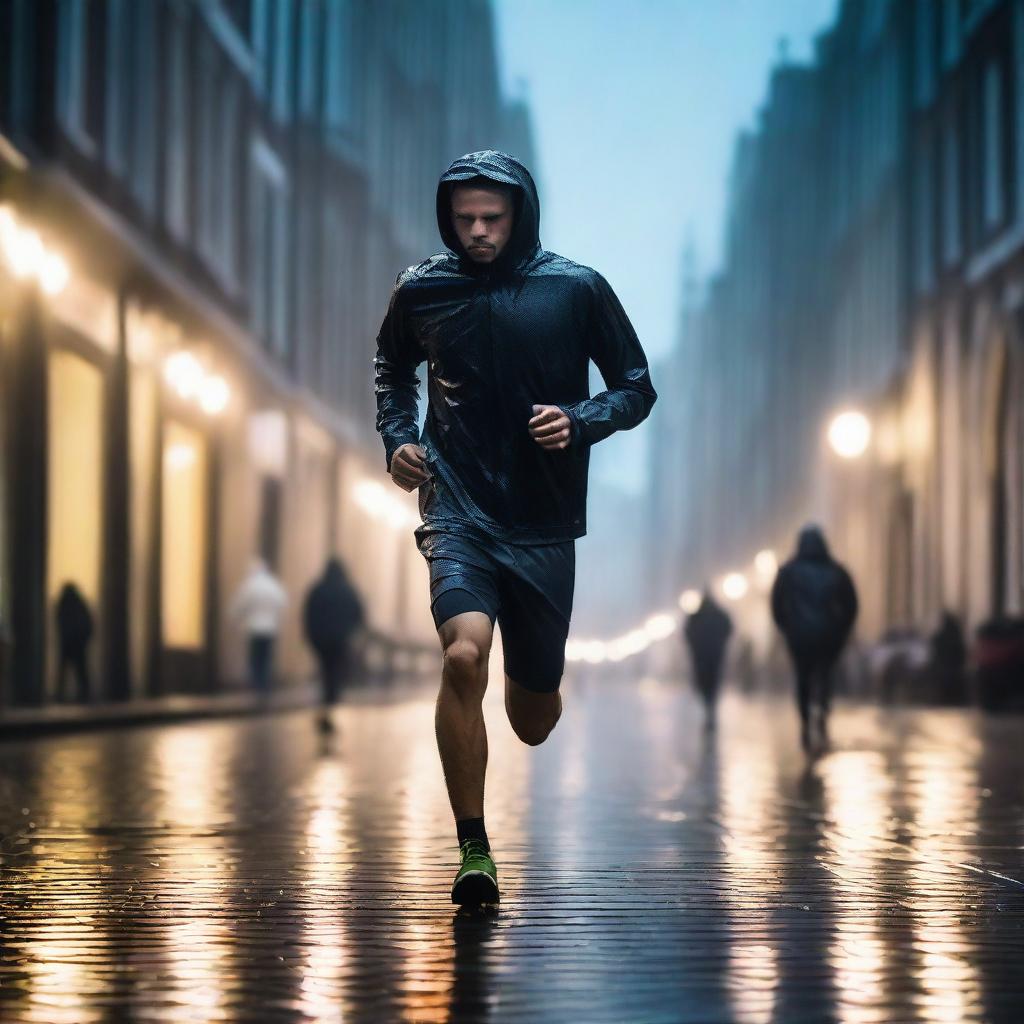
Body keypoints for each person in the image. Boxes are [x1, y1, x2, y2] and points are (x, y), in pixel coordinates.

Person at [374, 150, 656, 904]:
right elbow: (392, 369)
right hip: (456, 507)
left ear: (520, 214)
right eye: (463, 219)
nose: (476, 233)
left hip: (541, 521)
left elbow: (636, 386)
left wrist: (583, 419)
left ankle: (531, 680)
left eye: (491, 219)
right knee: (462, 656)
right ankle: (473, 850)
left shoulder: (577, 288)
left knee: (532, 718)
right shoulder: (420, 291)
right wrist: (399, 436)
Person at [771, 526, 858, 752]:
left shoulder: (788, 571)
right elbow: (851, 605)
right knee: (825, 675)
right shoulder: (837, 571)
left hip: (799, 637)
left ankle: (805, 721)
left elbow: (776, 604)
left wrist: (786, 627)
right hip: (828, 636)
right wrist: (842, 629)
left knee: (803, 678)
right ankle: (822, 712)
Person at [302, 557, 366, 734]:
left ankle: (325, 708)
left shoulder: (317, 590)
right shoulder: (348, 591)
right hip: (340, 641)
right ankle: (328, 708)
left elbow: (308, 614)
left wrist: (311, 637)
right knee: (335, 674)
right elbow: (360, 615)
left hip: (321, 641)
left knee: (325, 671)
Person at [229, 557, 288, 695]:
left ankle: (256, 684)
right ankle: (265, 684)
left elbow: (240, 604)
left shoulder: (250, 585)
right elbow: (282, 602)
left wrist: (234, 618)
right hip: (270, 628)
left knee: (256, 658)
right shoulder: (273, 585)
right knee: (266, 658)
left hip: (254, 627)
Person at [682, 590, 733, 730]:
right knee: (711, 683)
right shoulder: (715, 615)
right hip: (712, 654)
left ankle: (709, 707)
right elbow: (728, 628)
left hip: (704, 655)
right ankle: (710, 707)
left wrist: (694, 646)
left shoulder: (697, 616)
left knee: (705, 682)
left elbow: (687, 633)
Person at [55, 582, 93, 703]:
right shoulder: (78, 604)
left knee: (69, 670)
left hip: (71, 642)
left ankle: (63, 695)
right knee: (79, 670)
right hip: (76, 642)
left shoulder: (65, 603)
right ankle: (83, 694)